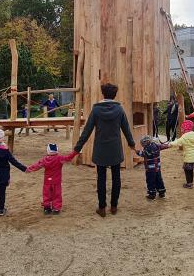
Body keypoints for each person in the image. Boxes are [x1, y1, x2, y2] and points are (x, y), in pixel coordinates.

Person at [73, 83, 136, 217]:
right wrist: (132, 144)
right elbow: (126, 129)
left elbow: (87, 131)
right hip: (115, 149)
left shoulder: (96, 110)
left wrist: (78, 147)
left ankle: (102, 208)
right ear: (114, 95)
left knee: (101, 179)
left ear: (103, 94)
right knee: (116, 178)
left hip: (100, 149)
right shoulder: (119, 110)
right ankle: (114, 206)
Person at [26, 144, 79, 215]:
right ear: (57, 150)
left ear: (48, 151)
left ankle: (47, 208)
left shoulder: (44, 160)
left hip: (47, 181)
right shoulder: (59, 158)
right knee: (57, 194)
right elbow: (68, 157)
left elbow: (37, 165)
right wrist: (75, 152)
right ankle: (56, 208)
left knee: (46, 194)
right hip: (56, 181)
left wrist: (29, 169)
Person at [169, 120, 194, 189]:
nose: (181, 129)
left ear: (185, 128)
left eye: (182, 128)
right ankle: (190, 182)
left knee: (187, 170)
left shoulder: (184, 136)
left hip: (188, 157)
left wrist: (170, 144)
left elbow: (177, 142)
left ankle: (189, 184)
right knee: (190, 170)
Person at [137, 136, 170, 200]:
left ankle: (152, 194)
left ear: (146, 143)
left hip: (150, 169)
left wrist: (137, 151)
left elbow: (143, 154)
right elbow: (162, 146)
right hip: (157, 167)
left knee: (150, 181)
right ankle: (161, 192)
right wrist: (168, 145)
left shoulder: (147, 149)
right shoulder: (156, 145)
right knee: (159, 180)